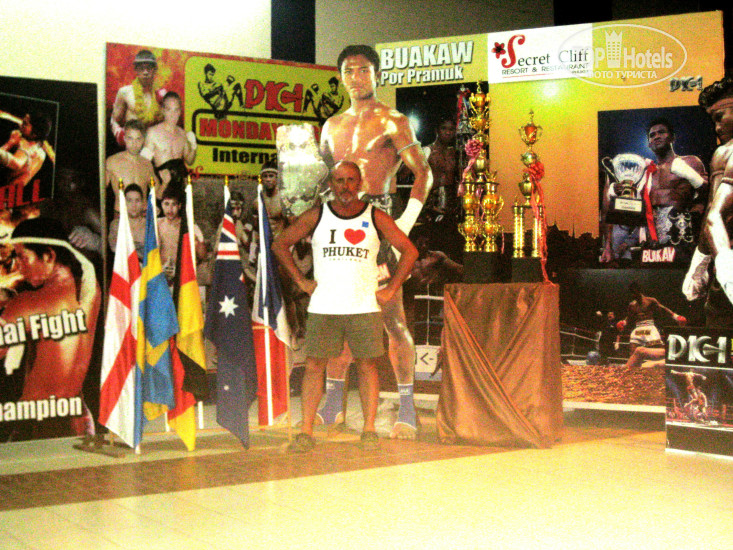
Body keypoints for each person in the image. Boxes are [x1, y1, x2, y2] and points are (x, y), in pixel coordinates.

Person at [318, 44, 432, 439]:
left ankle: (407, 408)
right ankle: (333, 405)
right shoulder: (330, 126)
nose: (356, 78)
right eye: (349, 71)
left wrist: (405, 223)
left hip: (379, 222)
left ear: (377, 74)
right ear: (341, 77)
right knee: (339, 315)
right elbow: (323, 179)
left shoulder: (393, 121)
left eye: (364, 70)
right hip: (338, 225)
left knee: (392, 318)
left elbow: (424, 173)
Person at [272, 161, 418, 452]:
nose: (345, 186)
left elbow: (409, 251)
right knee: (314, 366)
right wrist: (301, 281)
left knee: (367, 365)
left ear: (360, 183)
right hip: (324, 305)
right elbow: (280, 244)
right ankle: (306, 432)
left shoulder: (375, 216)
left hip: (364, 306)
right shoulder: (317, 215)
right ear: (331, 184)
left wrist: (391, 288)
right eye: (339, 180)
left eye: (351, 180)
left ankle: (369, 430)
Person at [0, 218, 101, 438]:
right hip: (78, 417)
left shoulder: (25, 305)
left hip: (37, 419)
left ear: (48, 255)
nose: (18, 266)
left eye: (22, 257)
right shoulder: (90, 289)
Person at [683, 76, 733, 328]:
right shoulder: (726, 152)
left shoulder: (726, 152)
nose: (716, 128)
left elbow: (713, 217)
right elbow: (714, 215)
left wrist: (702, 265)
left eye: (719, 117)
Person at [644, 118, 707, 253]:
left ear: (672, 137)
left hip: (684, 236)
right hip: (653, 239)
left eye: (661, 132)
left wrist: (692, 175)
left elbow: (710, 193)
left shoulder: (690, 162)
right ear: (649, 144)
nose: (656, 136)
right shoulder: (647, 172)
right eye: (652, 135)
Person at [142, 92, 197, 199]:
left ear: (180, 112)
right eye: (169, 110)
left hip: (179, 190)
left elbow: (189, 160)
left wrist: (194, 147)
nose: (173, 115)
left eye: (176, 110)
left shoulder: (183, 134)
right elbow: (144, 164)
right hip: (161, 188)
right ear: (163, 111)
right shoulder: (153, 133)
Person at [109, 49, 165, 146]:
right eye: (141, 68)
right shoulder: (125, 92)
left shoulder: (162, 94)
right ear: (136, 70)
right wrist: (119, 134)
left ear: (155, 70)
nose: (145, 72)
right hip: (132, 146)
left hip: (153, 147)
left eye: (149, 68)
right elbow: (114, 120)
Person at [616, 282, 686, 355]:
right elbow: (629, 317)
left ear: (638, 291)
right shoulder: (632, 305)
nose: (632, 295)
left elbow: (663, 309)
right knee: (633, 353)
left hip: (649, 327)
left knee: (657, 352)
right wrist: (624, 322)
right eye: (631, 293)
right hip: (638, 329)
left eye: (633, 292)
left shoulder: (650, 300)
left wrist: (676, 316)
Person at [105, 119, 156, 217]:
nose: (134, 143)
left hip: (143, 216)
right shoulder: (112, 162)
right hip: (121, 216)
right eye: (130, 138)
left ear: (143, 140)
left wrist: (166, 182)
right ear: (124, 138)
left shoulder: (147, 164)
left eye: (138, 139)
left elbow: (158, 193)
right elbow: (100, 190)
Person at [157, 187, 206, 283]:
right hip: (160, 276)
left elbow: (203, 255)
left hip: (183, 276)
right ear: (162, 205)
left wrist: (196, 242)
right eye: (166, 204)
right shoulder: (156, 224)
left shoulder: (189, 226)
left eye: (174, 204)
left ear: (179, 206)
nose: (170, 209)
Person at [0, 110, 54, 188]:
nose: (20, 125)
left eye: (25, 124)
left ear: (35, 134)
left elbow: (16, 163)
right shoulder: (40, 149)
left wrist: (9, 143)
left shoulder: (27, 146)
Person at [425, 114, 460, 217]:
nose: (448, 132)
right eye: (444, 128)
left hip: (451, 205)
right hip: (430, 203)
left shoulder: (455, 153)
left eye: (451, 129)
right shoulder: (427, 151)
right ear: (437, 130)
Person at [108, 184, 146, 261]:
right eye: (129, 201)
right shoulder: (116, 225)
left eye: (137, 200)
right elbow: (114, 248)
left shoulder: (149, 225)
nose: (133, 205)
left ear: (142, 203)